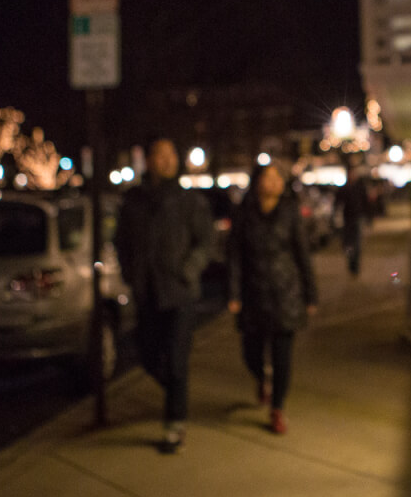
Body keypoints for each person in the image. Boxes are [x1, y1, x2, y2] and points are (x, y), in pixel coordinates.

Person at [114, 138, 213, 453]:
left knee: (177, 360)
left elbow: (206, 241)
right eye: (160, 155)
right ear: (149, 159)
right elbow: (121, 241)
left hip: (179, 292)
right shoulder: (135, 200)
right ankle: (177, 396)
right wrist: (131, 274)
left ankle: (174, 424)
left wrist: (189, 269)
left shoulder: (188, 200)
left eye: (172, 154)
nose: (167, 161)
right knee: (146, 354)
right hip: (146, 292)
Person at [227, 163, 318, 434]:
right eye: (267, 178)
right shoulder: (244, 213)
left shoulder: (290, 212)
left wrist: (310, 293)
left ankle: (277, 408)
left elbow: (302, 254)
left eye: (278, 178)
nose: (273, 182)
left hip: (286, 293)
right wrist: (233, 293)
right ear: (256, 183)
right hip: (252, 293)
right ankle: (261, 377)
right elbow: (234, 256)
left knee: (282, 357)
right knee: (251, 353)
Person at [335, 165, 371, 276]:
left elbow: (366, 203)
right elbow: (337, 204)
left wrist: (369, 217)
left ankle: (355, 265)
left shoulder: (360, 187)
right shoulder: (344, 188)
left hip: (358, 218)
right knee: (349, 244)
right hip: (348, 220)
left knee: (358, 243)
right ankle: (351, 263)